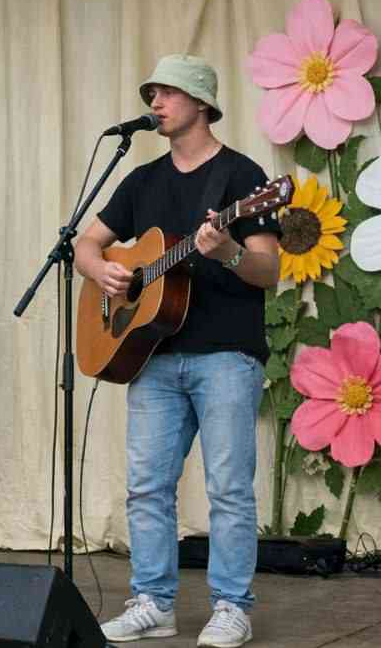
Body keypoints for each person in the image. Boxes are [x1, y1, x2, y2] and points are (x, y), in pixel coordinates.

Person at [74, 55, 280, 647]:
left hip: (226, 354)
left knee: (228, 489)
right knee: (147, 486)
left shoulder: (242, 177)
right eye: (152, 94)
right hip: (154, 355)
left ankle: (232, 607)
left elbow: (268, 270)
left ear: (202, 103)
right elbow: (87, 244)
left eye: (167, 93)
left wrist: (227, 253)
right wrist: (103, 273)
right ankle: (152, 604)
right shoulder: (142, 180)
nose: (155, 103)